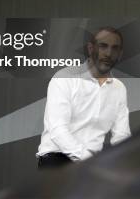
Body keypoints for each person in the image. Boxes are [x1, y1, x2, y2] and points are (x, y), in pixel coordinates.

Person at [37, 27, 131, 168]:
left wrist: (121, 159)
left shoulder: (119, 88)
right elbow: (57, 130)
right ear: (90, 48)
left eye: (115, 48)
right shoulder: (64, 78)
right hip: (58, 159)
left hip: (95, 164)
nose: (109, 53)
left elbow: (122, 135)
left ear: (120, 54)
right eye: (103, 46)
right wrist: (90, 159)